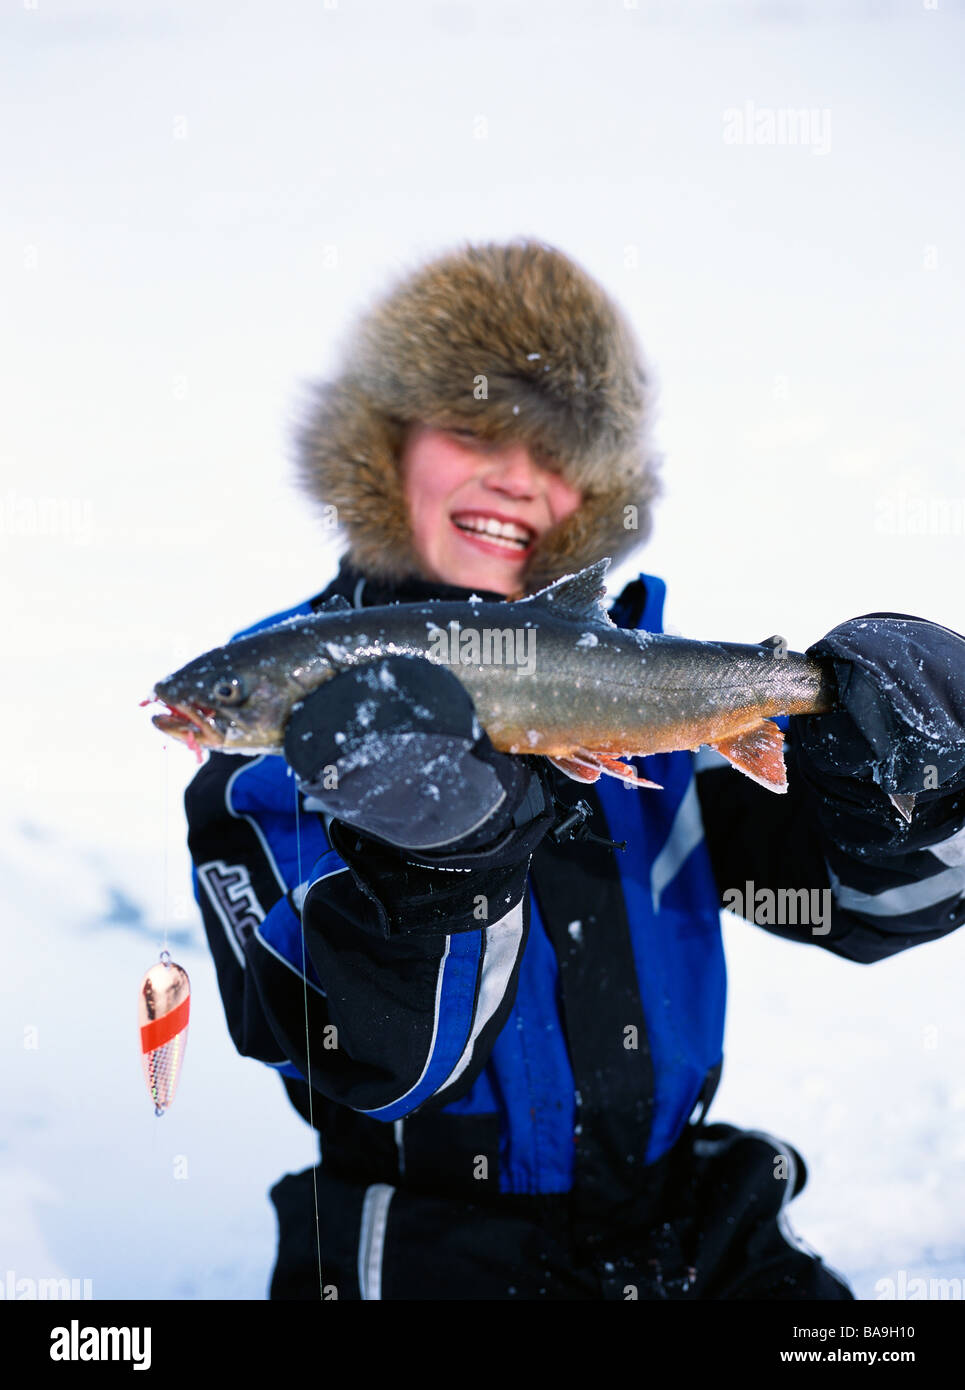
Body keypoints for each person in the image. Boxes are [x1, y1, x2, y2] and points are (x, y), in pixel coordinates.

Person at [184, 239, 965, 1300]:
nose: (512, 476)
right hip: (418, 1256)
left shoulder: (667, 692)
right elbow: (359, 1058)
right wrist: (433, 874)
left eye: (554, 449)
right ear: (385, 448)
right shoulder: (283, 746)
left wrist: (923, 782)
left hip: (691, 1229)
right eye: (473, 431)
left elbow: (868, 904)